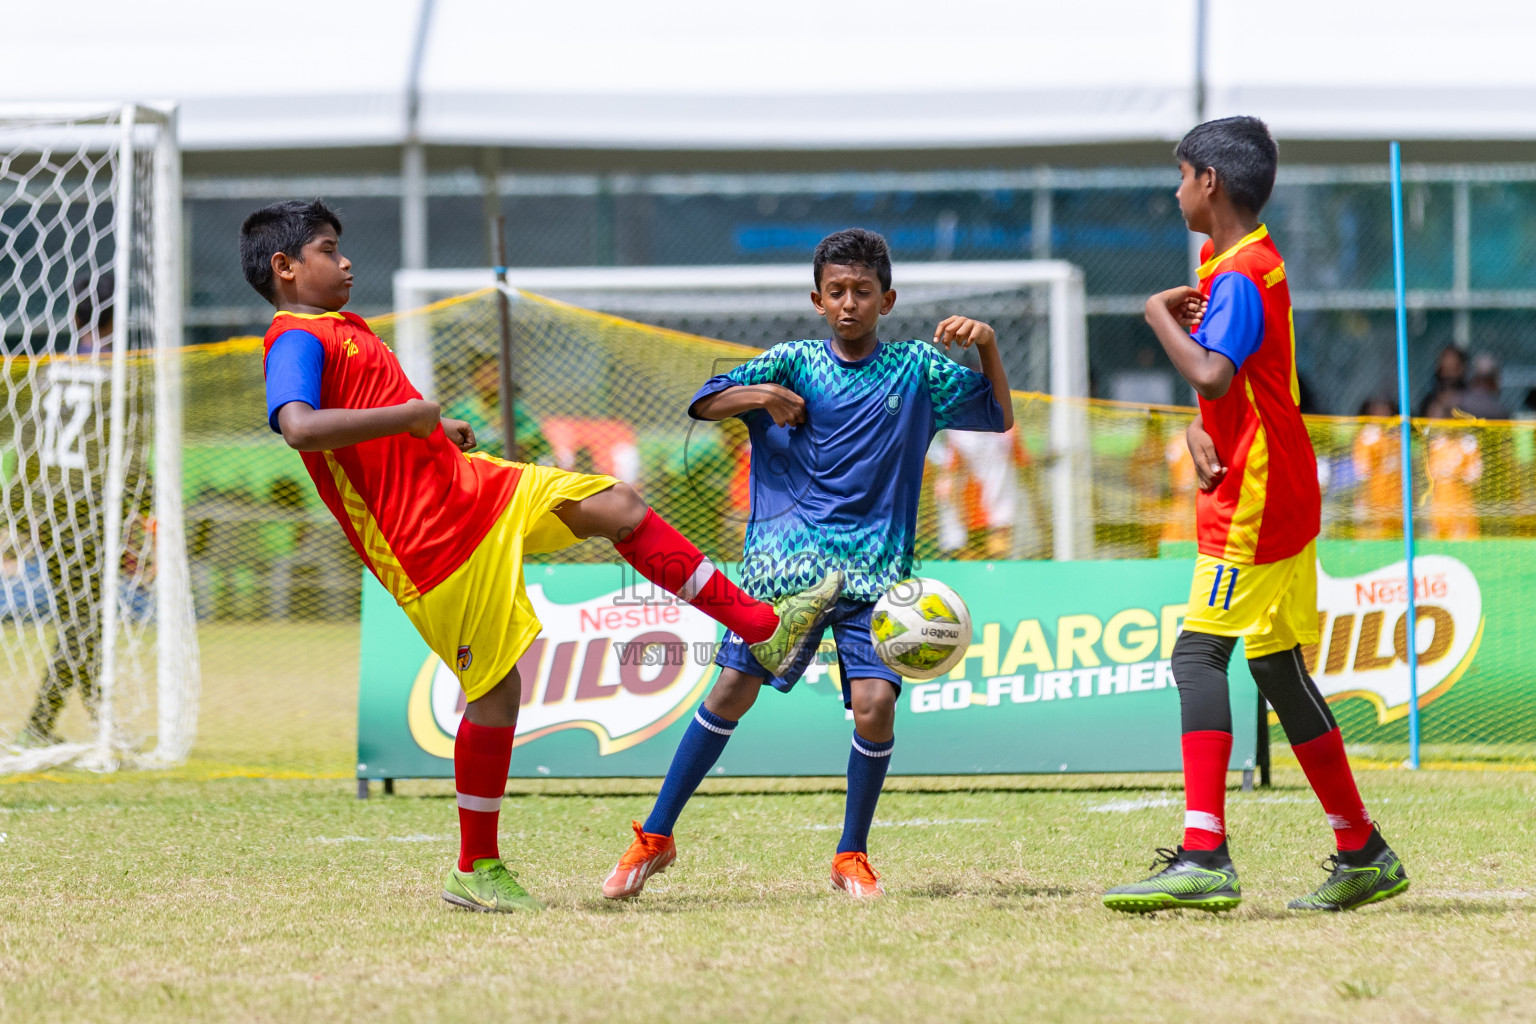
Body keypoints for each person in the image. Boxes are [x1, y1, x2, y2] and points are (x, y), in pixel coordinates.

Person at [242, 200, 839, 913]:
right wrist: (413, 416)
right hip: (429, 544)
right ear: (285, 268)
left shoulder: (344, 328)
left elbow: (381, 416)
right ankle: (475, 866)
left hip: (472, 486)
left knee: (619, 506)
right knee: (496, 696)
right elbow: (302, 429)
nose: (345, 262)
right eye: (328, 250)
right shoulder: (293, 340)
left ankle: (763, 630)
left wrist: (436, 429)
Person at [602, 228, 1012, 901]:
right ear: (817, 300)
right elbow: (704, 402)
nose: (849, 303)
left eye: (863, 292)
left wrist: (988, 344)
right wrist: (762, 396)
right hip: (784, 576)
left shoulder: (917, 369)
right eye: (837, 292)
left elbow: (997, 417)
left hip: (878, 582)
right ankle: (656, 836)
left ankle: (850, 855)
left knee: (875, 706)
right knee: (729, 694)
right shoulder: (790, 362)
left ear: (888, 299)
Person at [1102, 117, 1408, 914]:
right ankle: (1362, 850)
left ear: (1210, 183)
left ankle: (1204, 853)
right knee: (1276, 667)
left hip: (1259, 498)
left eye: (1180, 175)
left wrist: (1153, 313)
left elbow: (1209, 367)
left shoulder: (1240, 272)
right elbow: (1235, 383)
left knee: (1197, 658)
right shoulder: (1226, 261)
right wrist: (1206, 425)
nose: (1174, 190)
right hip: (1277, 483)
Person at [16, 272, 115, 746]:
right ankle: (42, 723)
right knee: (85, 621)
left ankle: (99, 721)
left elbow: (26, 447)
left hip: (50, 509)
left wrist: (18, 514)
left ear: (75, 313)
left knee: (82, 618)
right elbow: (127, 453)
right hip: (91, 509)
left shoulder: (48, 370)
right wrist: (147, 514)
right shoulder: (122, 372)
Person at [441, 354, 551, 464]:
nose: (491, 378)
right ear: (473, 378)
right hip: (470, 469)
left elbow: (537, 441)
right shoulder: (460, 410)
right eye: (485, 374)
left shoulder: (515, 409)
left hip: (509, 467)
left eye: (495, 372)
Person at [1351, 398, 1402, 539]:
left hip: (1396, 502)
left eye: (1385, 410)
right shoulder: (1367, 438)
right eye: (1378, 410)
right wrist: (1363, 502)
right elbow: (1362, 474)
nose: (1382, 413)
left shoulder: (1397, 437)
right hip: (1375, 501)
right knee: (1374, 539)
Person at [1416, 344, 1467, 418]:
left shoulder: (1470, 398)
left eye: (1453, 369)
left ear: (1461, 369)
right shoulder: (1430, 400)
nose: (1448, 375)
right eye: (1445, 370)